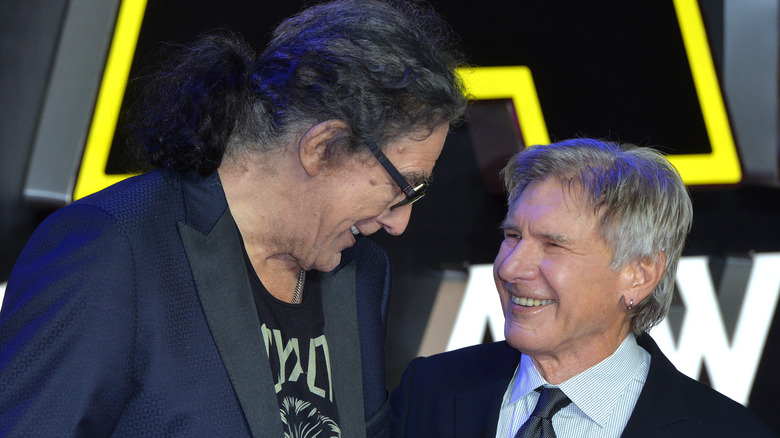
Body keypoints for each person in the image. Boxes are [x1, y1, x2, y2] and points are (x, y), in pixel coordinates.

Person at [0, 1, 467, 436]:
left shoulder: (363, 271)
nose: (399, 223)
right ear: (322, 147)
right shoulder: (110, 250)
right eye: (402, 187)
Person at [390, 138, 778, 437]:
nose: (510, 266)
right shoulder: (431, 391)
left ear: (639, 274)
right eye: (512, 235)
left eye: (553, 244)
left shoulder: (724, 432)